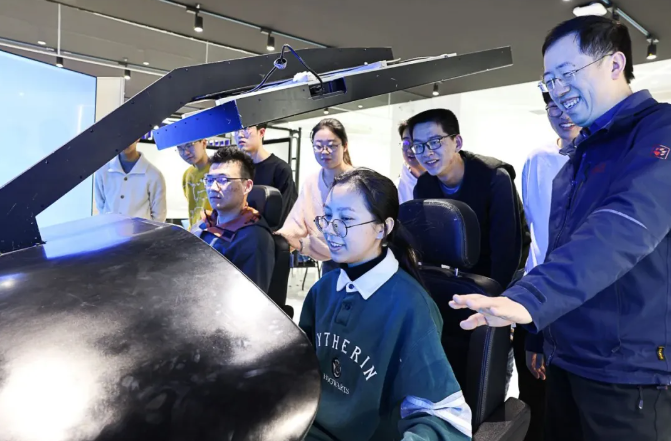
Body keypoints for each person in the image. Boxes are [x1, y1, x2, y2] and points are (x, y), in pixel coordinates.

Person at [451, 16, 671, 441]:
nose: (557, 89)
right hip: (569, 359)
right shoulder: (580, 155)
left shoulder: (657, 131)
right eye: (549, 80)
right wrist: (541, 333)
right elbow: (556, 250)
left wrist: (530, 299)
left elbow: (623, 226)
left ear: (615, 64)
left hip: (630, 373)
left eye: (567, 73)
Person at [300, 167, 471, 441]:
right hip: (304, 426)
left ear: (383, 228)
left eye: (345, 219)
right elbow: (301, 368)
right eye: (328, 216)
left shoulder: (410, 306)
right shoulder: (324, 289)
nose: (330, 230)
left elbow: (444, 415)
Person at [513, 92, 581, 441]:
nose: (562, 113)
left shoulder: (608, 159)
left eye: (569, 102)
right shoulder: (538, 160)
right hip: (541, 300)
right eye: (553, 105)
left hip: (586, 303)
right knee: (538, 406)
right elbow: (536, 241)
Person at [410, 109, 530, 289]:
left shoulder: (494, 177)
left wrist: (495, 296)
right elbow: (429, 247)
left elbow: (506, 249)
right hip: (464, 273)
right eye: (418, 145)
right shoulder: (424, 185)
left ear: (457, 142)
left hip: (509, 275)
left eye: (434, 142)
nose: (426, 153)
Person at [191, 147, 275, 294]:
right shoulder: (203, 225)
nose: (213, 188)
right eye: (209, 180)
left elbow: (251, 298)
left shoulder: (253, 239)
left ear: (247, 186)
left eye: (223, 180)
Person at [276, 118, 354, 275]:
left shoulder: (358, 180)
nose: (324, 151)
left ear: (345, 146)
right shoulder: (311, 182)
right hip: (329, 263)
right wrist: (279, 239)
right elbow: (297, 221)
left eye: (331, 145)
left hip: (357, 259)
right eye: (318, 146)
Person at [234, 123, 298, 227]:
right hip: (238, 232)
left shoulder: (280, 169)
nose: (240, 134)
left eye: (246, 129)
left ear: (261, 132)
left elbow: (285, 215)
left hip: (267, 233)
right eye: (236, 130)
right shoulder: (237, 169)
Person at [94, 140, 167, 222]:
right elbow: (100, 206)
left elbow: (159, 216)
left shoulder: (154, 174)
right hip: (110, 228)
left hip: (141, 230)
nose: (125, 140)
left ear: (138, 138)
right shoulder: (102, 171)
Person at [178, 139, 211, 229]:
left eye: (189, 145)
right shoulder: (187, 174)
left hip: (216, 231)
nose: (186, 152)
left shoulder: (218, 170)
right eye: (180, 148)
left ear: (203, 143)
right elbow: (193, 207)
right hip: (195, 232)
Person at [396, 120, 426, 204]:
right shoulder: (395, 190)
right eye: (406, 143)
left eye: (416, 143)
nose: (410, 150)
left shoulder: (446, 183)